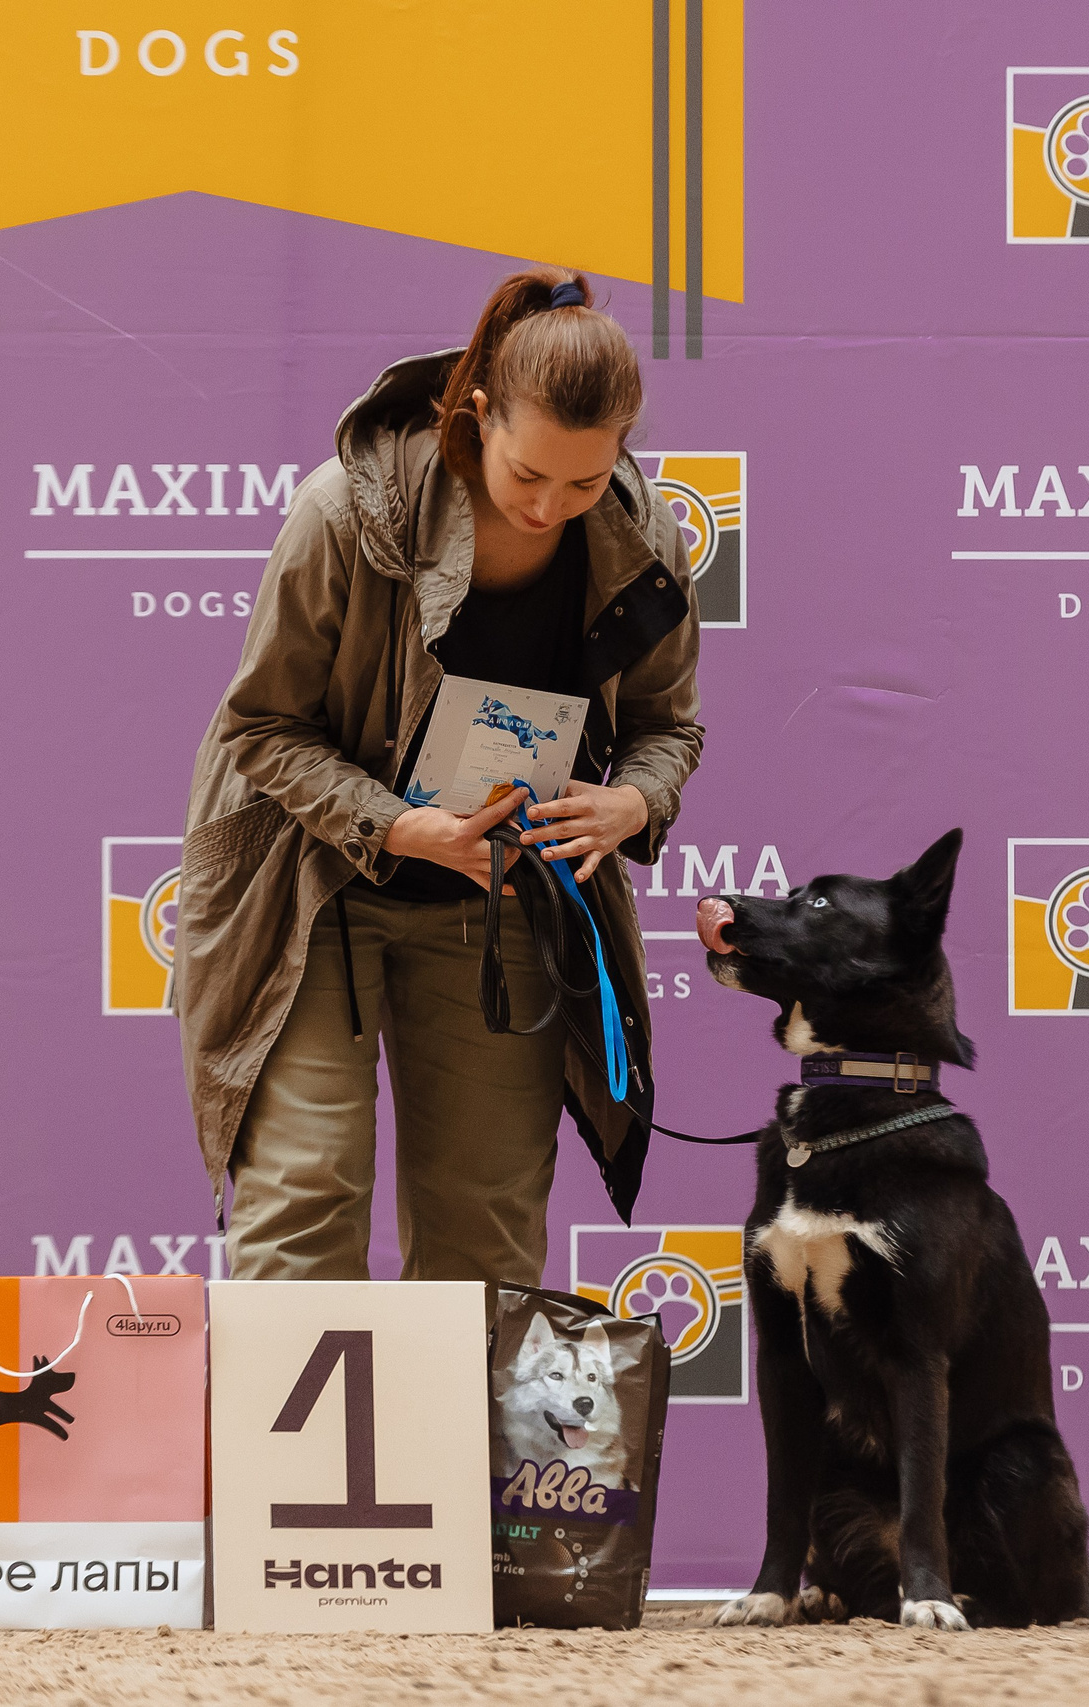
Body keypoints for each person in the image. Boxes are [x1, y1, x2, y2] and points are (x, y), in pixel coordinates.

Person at [174, 267, 704, 1284]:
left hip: (496, 894)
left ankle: (466, 1406)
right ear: (477, 417)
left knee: (485, 1230)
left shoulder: (646, 540)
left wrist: (633, 800)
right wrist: (395, 826)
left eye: (584, 483)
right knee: (306, 1198)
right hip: (311, 881)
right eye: (527, 474)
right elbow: (263, 725)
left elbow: (665, 728)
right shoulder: (344, 510)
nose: (549, 507)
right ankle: (290, 1404)